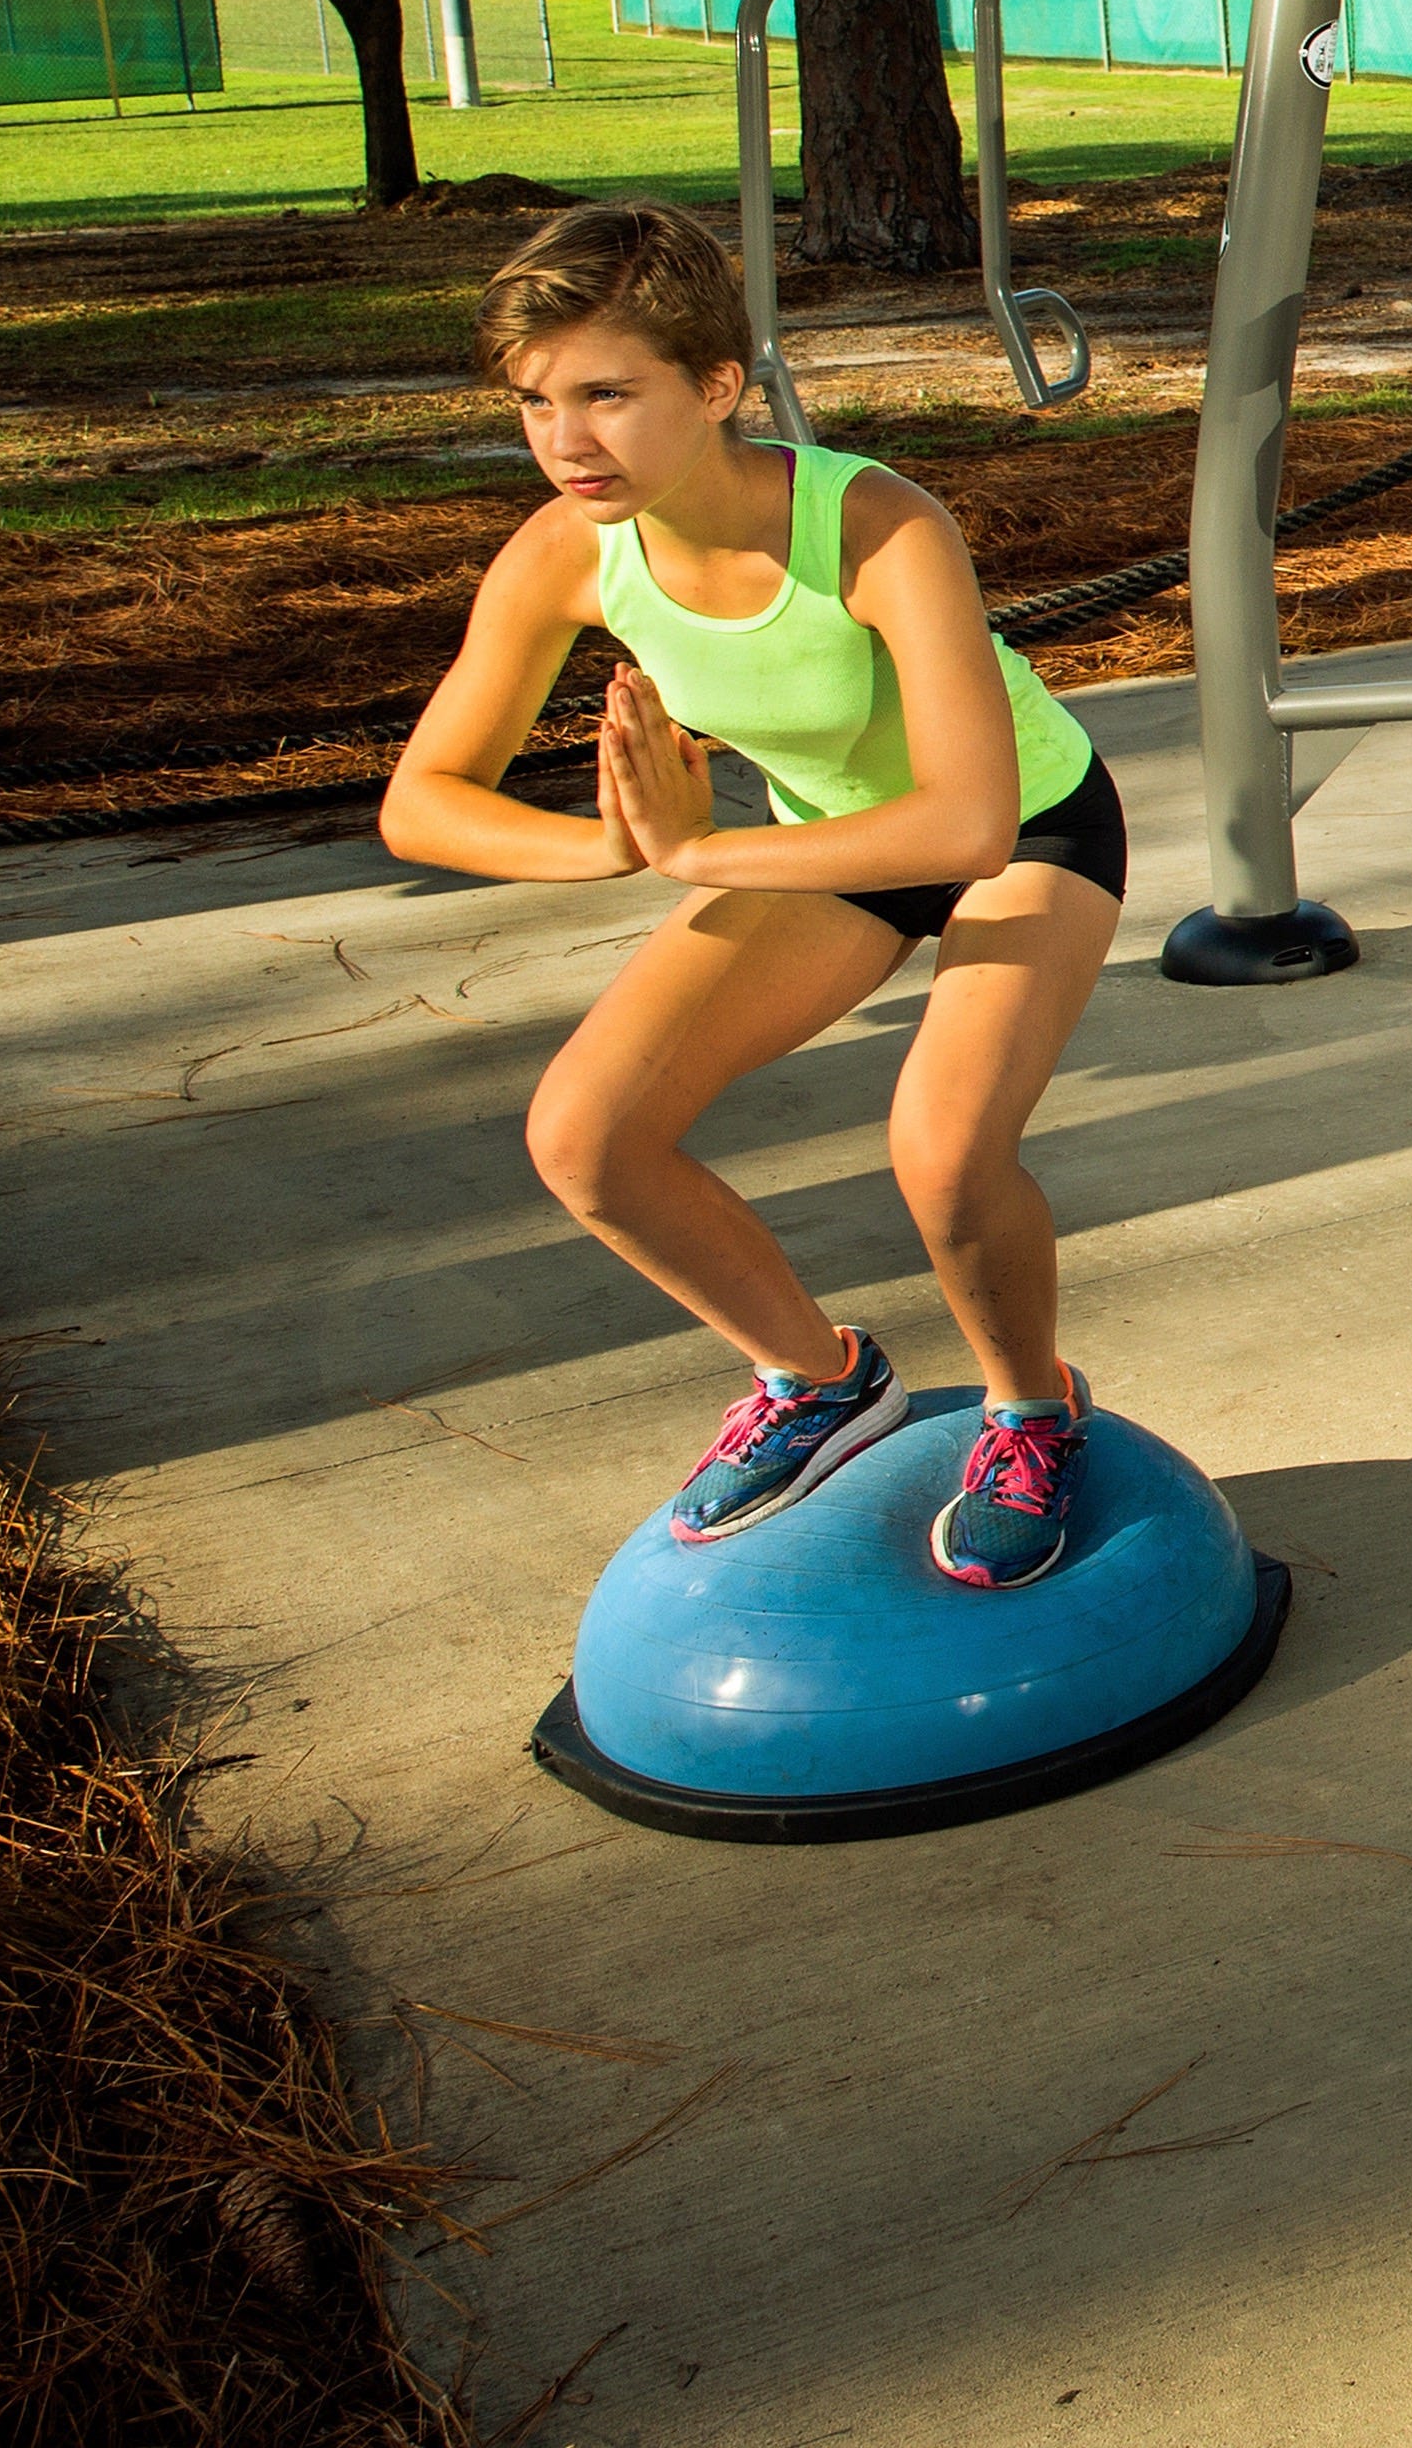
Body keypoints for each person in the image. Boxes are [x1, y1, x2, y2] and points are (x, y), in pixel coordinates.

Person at [381, 206, 1129, 1590]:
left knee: (946, 1154)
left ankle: (1033, 1409)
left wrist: (694, 856)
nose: (566, 439)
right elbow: (423, 802)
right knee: (589, 1138)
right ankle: (818, 1376)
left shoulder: (877, 523)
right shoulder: (568, 551)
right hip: (828, 845)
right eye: (537, 401)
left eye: (608, 393)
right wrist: (613, 845)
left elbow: (966, 824)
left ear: (718, 386)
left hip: (1028, 829)